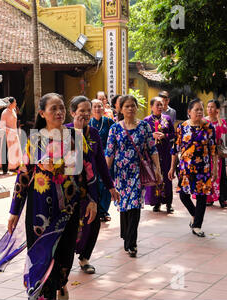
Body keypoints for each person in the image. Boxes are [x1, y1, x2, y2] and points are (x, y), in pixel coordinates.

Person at [0, 93, 98, 300]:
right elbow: (23, 176)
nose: (60, 112)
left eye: (61, 107)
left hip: (68, 210)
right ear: (42, 113)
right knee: (41, 256)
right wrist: (14, 211)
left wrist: (92, 200)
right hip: (39, 209)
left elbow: (88, 172)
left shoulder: (75, 139)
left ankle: (61, 284)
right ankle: (44, 297)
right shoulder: (35, 140)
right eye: (54, 108)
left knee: (63, 257)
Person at [64, 96, 120, 274]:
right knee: (70, 226)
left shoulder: (94, 133)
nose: (86, 114)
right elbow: (69, 161)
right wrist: (78, 133)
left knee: (93, 224)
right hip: (70, 190)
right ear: (72, 112)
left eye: (88, 111)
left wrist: (111, 186)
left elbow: (101, 163)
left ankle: (84, 258)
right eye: (82, 111)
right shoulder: (64, 132)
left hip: (92, 189)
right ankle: (64, 261)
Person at [105, 95, 162, 257]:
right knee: (124, 206)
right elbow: (109, 153)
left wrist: (158, 169)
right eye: (127, 106)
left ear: (137, 108)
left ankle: (132, 243)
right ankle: (126, 235)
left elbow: (152, 150)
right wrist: (105, 175)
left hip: (138, 172)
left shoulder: (144, 127)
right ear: (120, 109)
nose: (130, 109)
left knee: (135, 205)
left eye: (133, 106)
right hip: (121, 174)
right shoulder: (115, 128)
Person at [168, 99, 218, 238]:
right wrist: (172, 168)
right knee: (184, 195)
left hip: (203, 167)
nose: (200, 112)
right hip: (185, 168)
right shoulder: (182, 127)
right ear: (189, 112)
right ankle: (195, 215)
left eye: (201, 109)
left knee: (202, 196)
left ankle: (197, 225)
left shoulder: (208, 127)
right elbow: (175, 149)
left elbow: (213, 149)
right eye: (197, 109)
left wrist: (215, 169)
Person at [144, 97, 176, 213]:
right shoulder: (146, 120)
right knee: (155, 176)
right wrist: (152, 135)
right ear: (151, 107)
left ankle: (168, 203)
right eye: (157, 105)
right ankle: (156, 202)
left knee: (167, 177)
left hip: (165, 152)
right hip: (152, 153)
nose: (160, 107)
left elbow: (173, 134)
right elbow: (143, 136)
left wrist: (165, 136)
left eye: (161, 105)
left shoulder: (167, 119)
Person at [89, 98, 116, 222]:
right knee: (97, 184)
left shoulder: (109, 122)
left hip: (108, 157)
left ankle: (104, 211)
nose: (97, 109)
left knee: (106, 184)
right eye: (94, 106)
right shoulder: (88, 123)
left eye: (99, 106)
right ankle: (98, 210)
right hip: (94, 157)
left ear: (103, 108)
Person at [204, 99, 227, 207]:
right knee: (208, 174)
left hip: (218, 152)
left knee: (221, 175)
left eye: (212, 107)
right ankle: (208, 198)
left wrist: (219, 117)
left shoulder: (221, 121)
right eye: (208, 107)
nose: (210, 109)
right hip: (207, 152)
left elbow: (224, 130)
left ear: (217, 109)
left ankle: (223, 199)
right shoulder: (204, 120)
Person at [0, 97, 23, 174]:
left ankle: (16, 167)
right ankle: (5, 170)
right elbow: (2, 126)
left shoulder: (14, 110)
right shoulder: (4, 112)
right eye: (15, 102)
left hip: (14, 134)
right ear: (10, 104)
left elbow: (15, 122)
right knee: (6, 152)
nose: (16, 104)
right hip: (7, 135)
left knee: (16, 151)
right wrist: (10, 130)